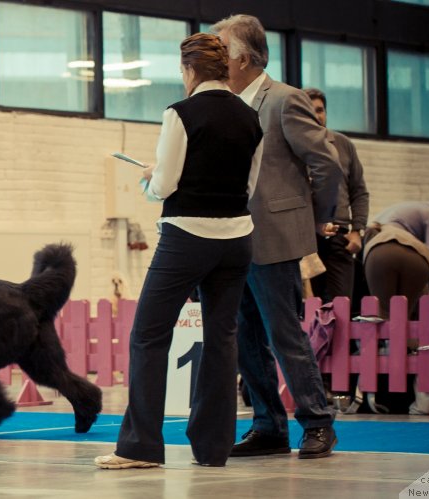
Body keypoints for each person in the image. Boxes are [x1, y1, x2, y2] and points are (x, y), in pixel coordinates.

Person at [94, 32, 263, 469]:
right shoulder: (250, 116)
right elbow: (249, 184)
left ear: (189, 71)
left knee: (149, 336)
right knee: (222, 341)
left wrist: (151, 178)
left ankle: (140, 446)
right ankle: (213, 449)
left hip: (187, 237)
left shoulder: (181, 113)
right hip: (237, 238)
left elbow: (166, 185)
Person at [210, 14, 341, 459]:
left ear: (242, 58)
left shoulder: (285, 100)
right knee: (245, 337)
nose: (212, 57)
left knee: (285, 334)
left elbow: (326, 164)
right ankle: (268, 426)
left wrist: (313, 222)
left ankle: (317, 421)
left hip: (276, 236)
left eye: (219, 50)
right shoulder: (223, 103)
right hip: (232, 237)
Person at [303, 88, 370, 305]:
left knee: (340, 305)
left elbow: (359, 191)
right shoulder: (293, 146)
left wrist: (357, 231)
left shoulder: (343, 144)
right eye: (311, 110)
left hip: (338, 234)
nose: (317, 115)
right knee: (306, 308)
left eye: (321, 110)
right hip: (305, 239)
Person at [363, 194, 429, 319]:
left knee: (383, 313)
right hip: (411, 256)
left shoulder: (406, 208)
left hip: (376, 251)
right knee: (404, 315)